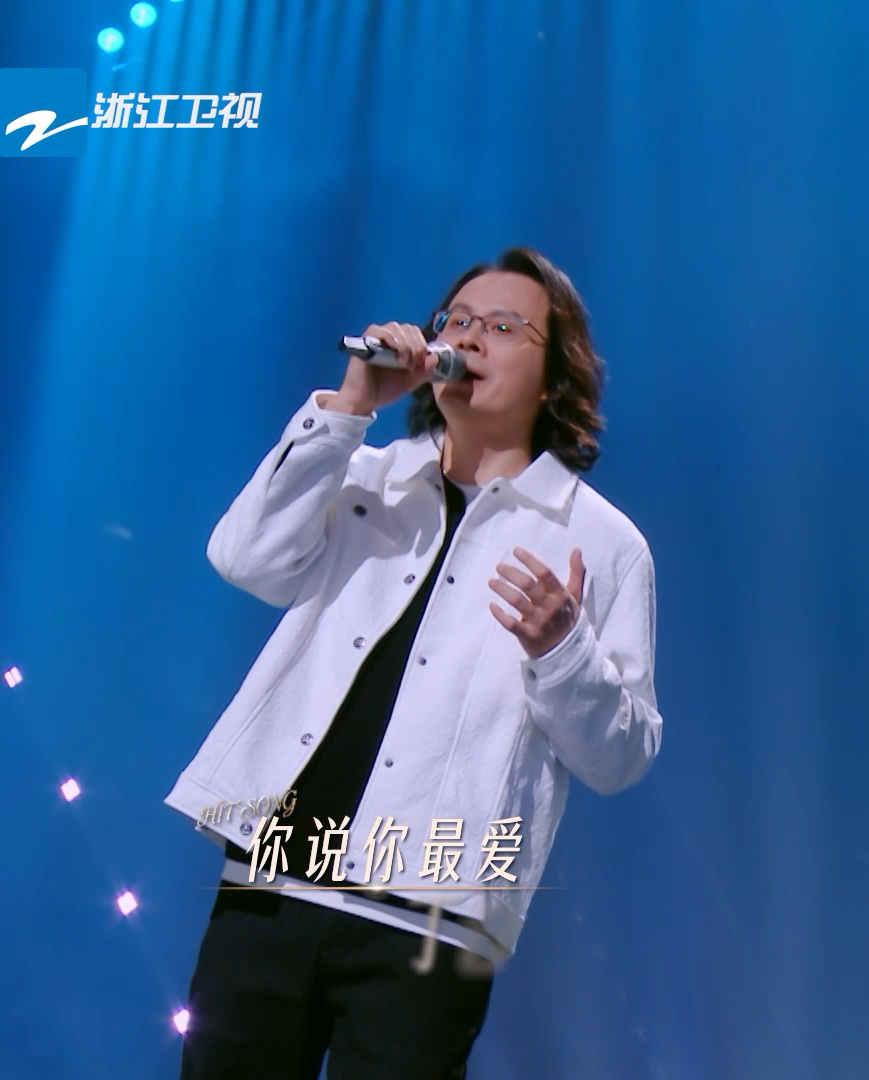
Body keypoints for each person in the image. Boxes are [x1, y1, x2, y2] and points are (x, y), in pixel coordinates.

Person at [164, 246, 663, 1079]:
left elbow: (621, 757)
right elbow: (244, 560)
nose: (467, 339)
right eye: (455, 322)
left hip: (429, 919)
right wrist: (349, 408)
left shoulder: (602, 543)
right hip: (273, 880)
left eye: (501, 326)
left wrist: (562, 649)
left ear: (555, 378)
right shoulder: (361, 472)